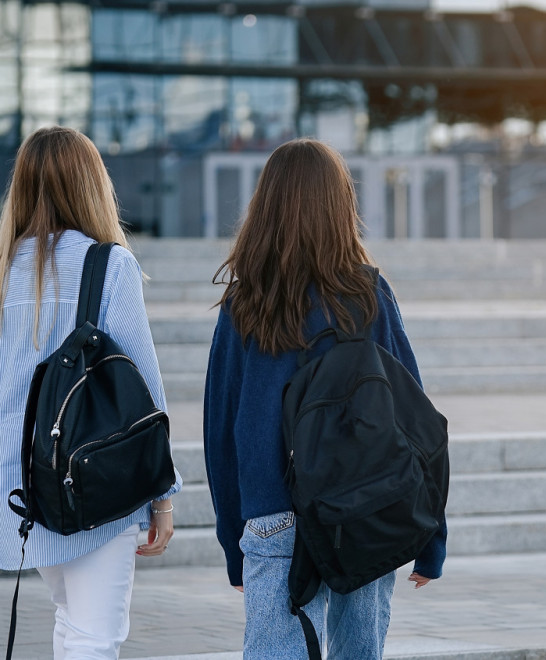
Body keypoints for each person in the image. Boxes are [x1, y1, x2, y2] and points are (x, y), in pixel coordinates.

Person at [203, 138, 446, 659]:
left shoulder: (245, 303)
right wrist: (430, 539)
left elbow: (221, 432)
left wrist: (234, 545)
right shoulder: (367, 296)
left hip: (273, 512)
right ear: (342, 206)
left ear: (264, 206)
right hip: (365, 501)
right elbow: (416, 422)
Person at [0, 126, 181, 658]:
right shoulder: (108, 265)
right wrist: (164, 497)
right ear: (91, 185)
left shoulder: (4, 268)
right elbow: (143, 383)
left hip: (22, 483)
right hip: (94, 473)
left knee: (69, 621)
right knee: (94, 636)